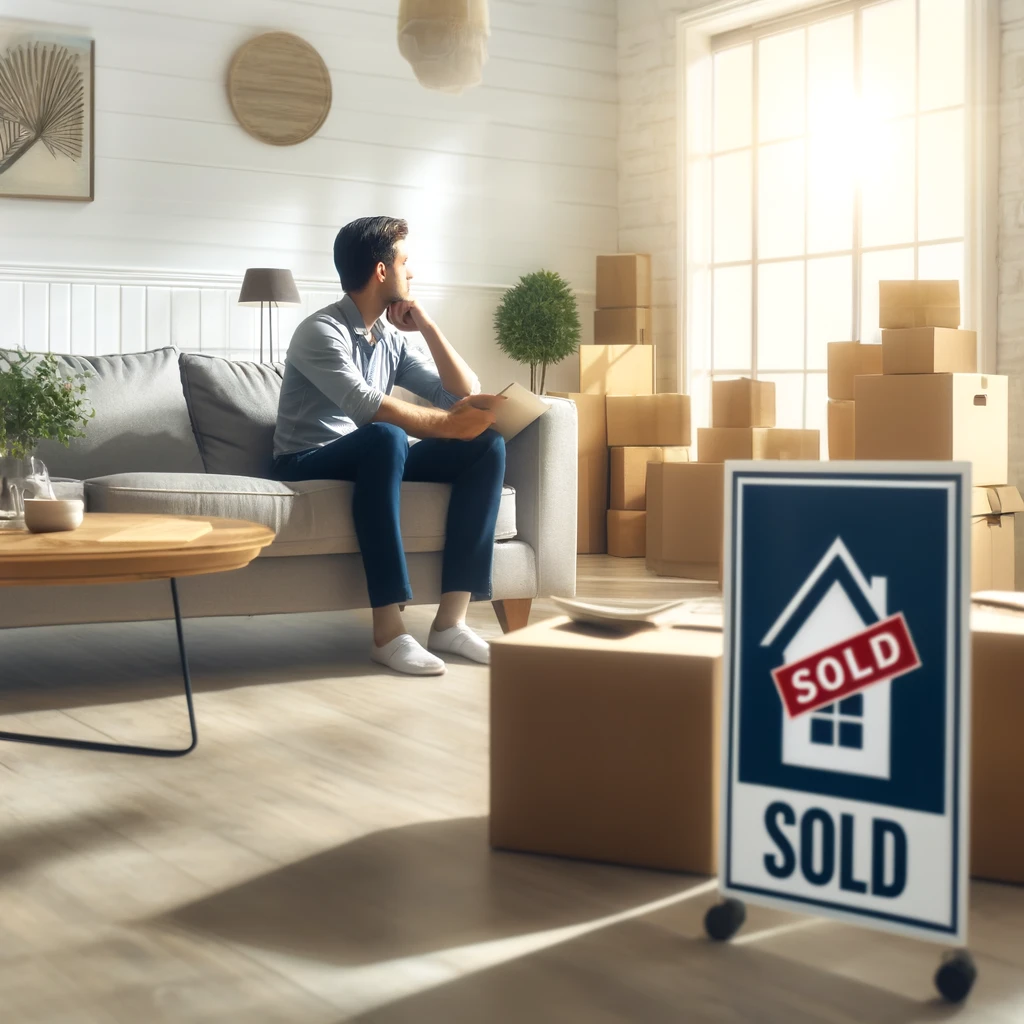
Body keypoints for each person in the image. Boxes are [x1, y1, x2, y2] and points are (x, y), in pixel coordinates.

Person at [272, 216, 506, 677]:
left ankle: (450, 623)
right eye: (404, 262)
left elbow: (460, 392)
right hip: (307, 460)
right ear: (382, 271)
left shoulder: (389, 341)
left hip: (375, 454)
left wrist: (427, 324)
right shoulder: (320, 331)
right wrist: (448, 427)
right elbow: (367, 408)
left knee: (487, 445)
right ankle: (388, 633)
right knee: (387, 434)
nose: (411, 273)